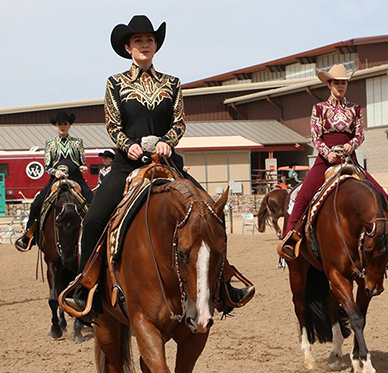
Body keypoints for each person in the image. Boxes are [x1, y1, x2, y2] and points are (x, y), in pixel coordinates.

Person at [66, 15, 252, 313]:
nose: (144, 45)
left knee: (209, 215)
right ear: (128, 47)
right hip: (128, 163)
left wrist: (168, 140)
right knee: (93, 220)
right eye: (138, 40)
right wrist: (130, 145)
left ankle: (223, 285)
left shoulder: (172, 84)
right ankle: (87, 285)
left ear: (156, 46)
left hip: (167, 160)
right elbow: (113, 126)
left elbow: (179, 123)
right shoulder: (115, 83)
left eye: (149, 40)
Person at [279, 64, 388, 259]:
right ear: (329, 84)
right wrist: (326, 152)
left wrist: (352, 144)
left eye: (343, 83)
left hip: (349, 157)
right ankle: (290, 237)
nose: (340, 86)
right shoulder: (319, 109)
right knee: (304, 194)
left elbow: (360, 133)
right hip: (325, 159)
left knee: (381, 194)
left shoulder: (354, 109)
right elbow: (315, 135)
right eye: (337, 82)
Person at [14, 111, 93, 251]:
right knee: (36, 204)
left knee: (93, 201)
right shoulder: (50, 143)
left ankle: (100, 234)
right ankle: (28, 236)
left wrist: (83, 167)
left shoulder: (77, 142)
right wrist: (54, 172)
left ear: (69, 125)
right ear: (55, 126)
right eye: (59, 124)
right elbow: (47, 166)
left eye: (65, 124)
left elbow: (82, 161)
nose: (62, 126)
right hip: (55, 178)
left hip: (76, 177)